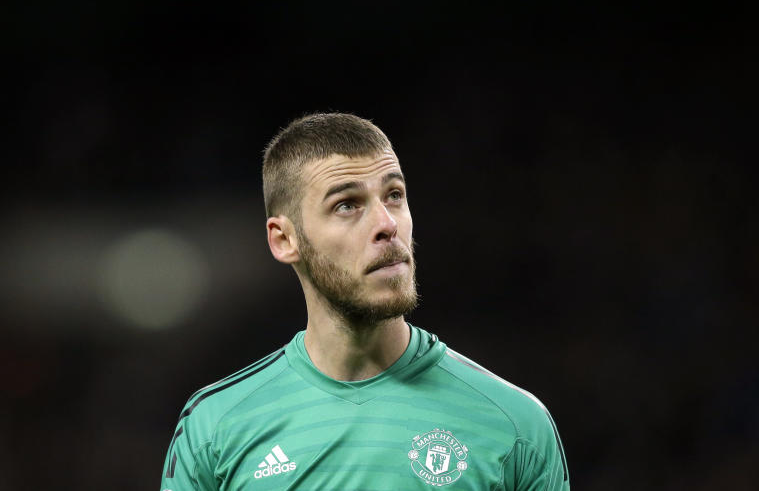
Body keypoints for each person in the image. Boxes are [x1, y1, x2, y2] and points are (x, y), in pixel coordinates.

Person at [160, 112, 569, 490]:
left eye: (394, 195)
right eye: (347, 205)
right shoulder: (215, 428)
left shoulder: (516, 426)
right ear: (284, 239)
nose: (386, 225)